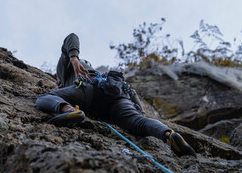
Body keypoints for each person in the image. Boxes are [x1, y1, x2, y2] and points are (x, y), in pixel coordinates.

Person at [36, 33, 196, 157]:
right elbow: (131, 92)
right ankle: (168, 134)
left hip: (87, 90)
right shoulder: (104, 76)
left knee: (43, 98)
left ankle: (69, 111)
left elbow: (71, 37)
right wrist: (138, 112)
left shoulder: (65, 69)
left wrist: (73, 59)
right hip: (118, 98)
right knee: (140, 122)